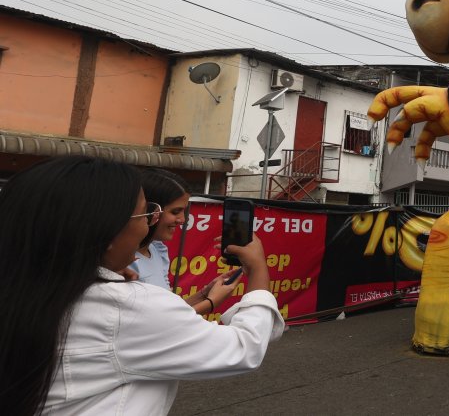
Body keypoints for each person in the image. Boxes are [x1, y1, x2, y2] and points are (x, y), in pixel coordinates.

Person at [0, 156, 283, 416]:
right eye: (146, 213)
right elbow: (245, 348)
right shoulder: (127, 305)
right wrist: (257, 269)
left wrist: (93, 268)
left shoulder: (25, 286)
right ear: (105, 232)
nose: (150, 224)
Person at [133, 168, 241, 315]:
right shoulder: (123, 262)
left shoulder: (158, 250)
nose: (182, 220)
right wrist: (211, 302)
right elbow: (162, 322)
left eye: (184, 211)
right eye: (175, 212)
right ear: (150, 209)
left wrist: (205, 293)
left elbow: (170, 310)